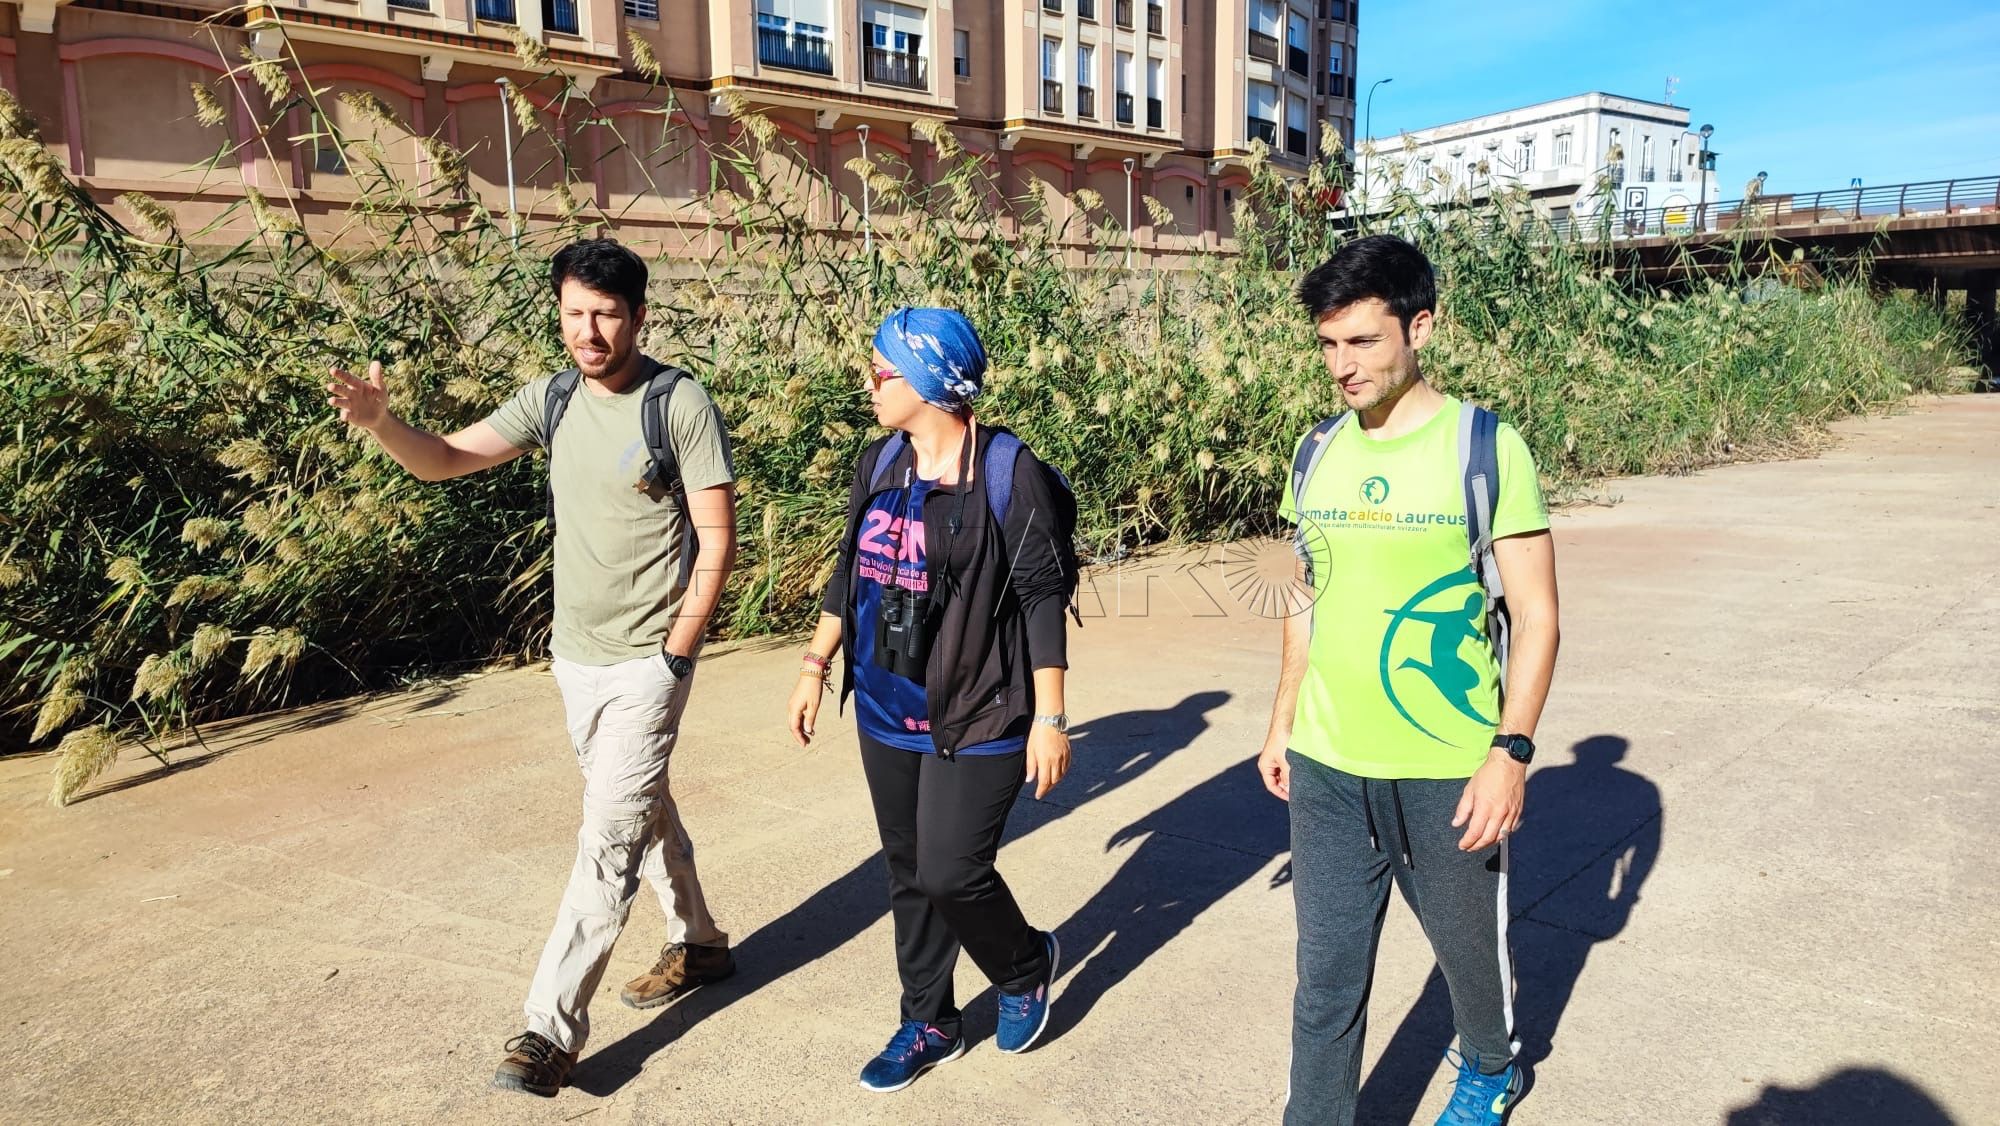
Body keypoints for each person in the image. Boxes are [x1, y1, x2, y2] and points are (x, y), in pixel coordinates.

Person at [326, 238, 740, 1098]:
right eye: (575, 315)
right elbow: (445, 458)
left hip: (647, 664)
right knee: (640, 808)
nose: (589, 332)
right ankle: (699, 942)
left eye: (607, 315)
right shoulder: (551, 398)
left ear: (639, 317)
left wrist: (679, 649)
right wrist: (381, 425)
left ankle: (548, 1033)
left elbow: (716, 537)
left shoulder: (678, 404)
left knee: (606, 841)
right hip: (574, 660)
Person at [1257, 235, 1561, 1126]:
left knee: (1467, 951)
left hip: (1447, 763)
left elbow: (1538, 615)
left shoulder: (1485, 448)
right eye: (1327, 345)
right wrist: (1282, 723)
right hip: (1327, 761)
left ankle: (1492, 1064)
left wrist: (1510, 752)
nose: (1340, 366)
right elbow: (1304, 597)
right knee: (1326, 979)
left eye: (1362, 342)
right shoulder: (1316, 452)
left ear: (1418, 327)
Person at [786, 307, 1073, 1093]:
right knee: (909, 869)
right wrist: (816, 664)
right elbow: (851, 569)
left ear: (928, 382)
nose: (868, 383)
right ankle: (930, 1020)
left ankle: (1023, 965)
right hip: (885, 707)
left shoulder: (1010, 474)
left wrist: (1050, 717)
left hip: (979, 706)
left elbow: (1044, 595)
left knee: (953, 870)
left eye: (880, 371)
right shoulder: (880, 462)